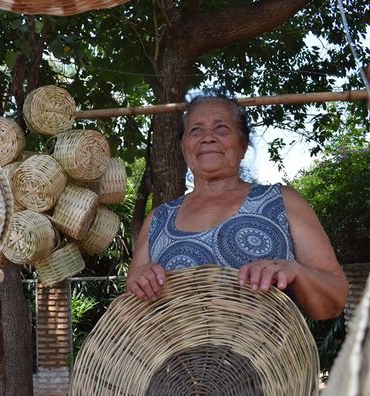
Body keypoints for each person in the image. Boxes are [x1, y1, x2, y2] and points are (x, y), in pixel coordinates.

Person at [126, 93, 348, 320]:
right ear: (183, 147)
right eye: (196, 130)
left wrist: (296, 272)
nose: (208, 137)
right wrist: (141, 283)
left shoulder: (282, 201)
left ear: (243, 144)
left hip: (269, 355)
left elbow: (333, 303)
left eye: (221, 128)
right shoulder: (158, 219)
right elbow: (131, 311)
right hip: (178, 356)